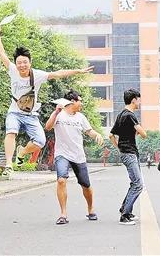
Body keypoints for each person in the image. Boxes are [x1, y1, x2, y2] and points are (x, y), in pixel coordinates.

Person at [0, 24, 92, 175]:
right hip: (14, 111)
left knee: (40, 141)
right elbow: (1, 53)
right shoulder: (13, 70)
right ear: (16, 63)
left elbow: (58, 74)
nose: (22, 65)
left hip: (31, 114)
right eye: (19, 62)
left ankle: (21, 152)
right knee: (11, 132)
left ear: (30, 62)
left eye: (25, 62)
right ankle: (8, 165)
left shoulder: (37, 75)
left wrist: (78, 71)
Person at [45, 90, 104, 225]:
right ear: (72, 102)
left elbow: (89, 131)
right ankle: (63, 214)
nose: (81, 103)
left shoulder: (80, 117)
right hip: (62, 154)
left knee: (86, 185)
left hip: (78, 155)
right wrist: (55, 112)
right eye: (80, 100)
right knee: (61, 180)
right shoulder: (59, 115)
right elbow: (48, 127)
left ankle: (90, 209)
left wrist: (97, 135)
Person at [109, 89, 147, 225]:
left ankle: (126, 209)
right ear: (134, 100)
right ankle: (124, 216)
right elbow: (143, 134)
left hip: (127, 153)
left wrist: (119, 148)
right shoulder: (130, 115)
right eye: (139, 99)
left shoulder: (120, 115)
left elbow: (111, 135)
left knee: (134, 183)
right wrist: (139, 130)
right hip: (130, 153)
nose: (140, 102)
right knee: (138, 184)